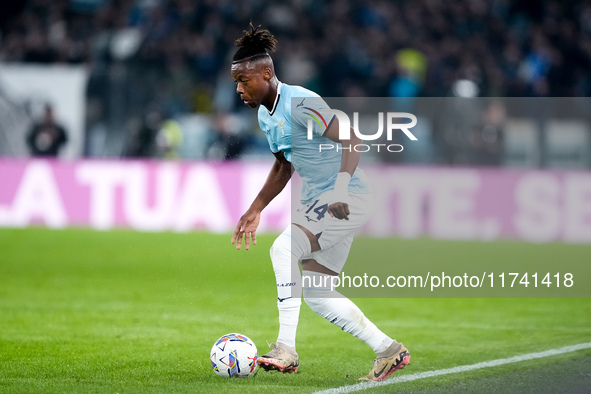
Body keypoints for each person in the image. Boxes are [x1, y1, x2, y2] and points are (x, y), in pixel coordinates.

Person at [230, 24, 410, 382]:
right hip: (322, 200)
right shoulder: (266, 115)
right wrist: (256, 208)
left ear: (266, 73)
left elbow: (352, 139)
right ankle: (388, 350)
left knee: (283, 251)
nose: (238, 89)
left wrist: (340, 188)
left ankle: (286, 348)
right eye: (235, 82)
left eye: (244, 80)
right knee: (316, 292)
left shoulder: (301, 103)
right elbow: (284, 165)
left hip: (345, 196)